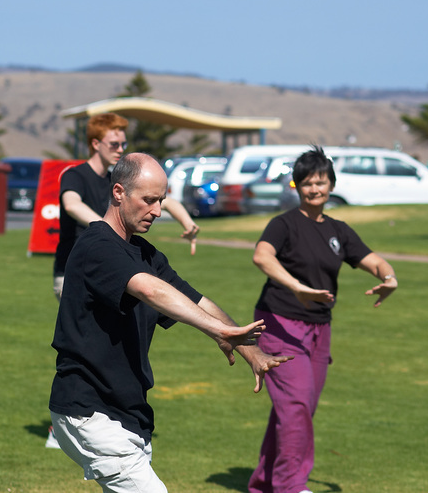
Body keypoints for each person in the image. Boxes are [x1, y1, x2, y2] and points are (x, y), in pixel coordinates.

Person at [49, 152, 292, 492]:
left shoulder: (145, 254)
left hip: (127, 412)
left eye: (161, 200)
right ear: (119, 193)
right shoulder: (97, 246)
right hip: (90, 410)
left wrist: (251, 351)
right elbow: (149, 289)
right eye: (149, 200)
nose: (158, 211)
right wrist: (217, 330)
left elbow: (197, 301)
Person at [247, 146, 398, 493]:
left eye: (321, 182)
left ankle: (263, 484)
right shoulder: (283, 224)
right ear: (296, 186)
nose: (315, 189)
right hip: (280, 324)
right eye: (307, 183)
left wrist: (389, 277)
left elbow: (372, 260)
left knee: (297, 409)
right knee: (296, 405)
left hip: (318, 331)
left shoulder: (338, 230)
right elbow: (262, 256)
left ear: (331, 185)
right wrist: (297, 287)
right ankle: (289, 486)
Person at [52, 112, 200, 300]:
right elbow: (72, 205)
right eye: (114, 144)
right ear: (96, 144)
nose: (120, 149)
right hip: (73, 270)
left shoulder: (114, 180)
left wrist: (188, 223)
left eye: (123, 144)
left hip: (107, 266)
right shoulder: (75, 175)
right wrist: (106, 229)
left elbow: (165, 201)